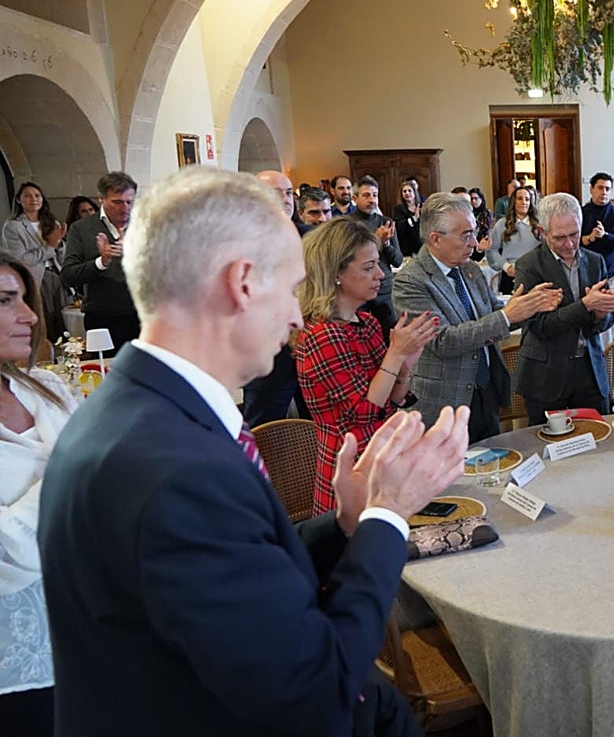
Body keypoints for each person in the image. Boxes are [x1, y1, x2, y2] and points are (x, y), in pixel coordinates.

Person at [38, 167, 469, 735]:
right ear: (242, 282)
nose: (296, 315)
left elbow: (240, 567)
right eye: (290, 288)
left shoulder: (146, 411)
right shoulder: (171, 468)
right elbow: (314, 691)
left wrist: (345, 523)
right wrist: (387, 516)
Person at [295, 218, 439, 515]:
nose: (380, 274)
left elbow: (394, 400)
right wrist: (396, 355)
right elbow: (363, 412)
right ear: (336, 273)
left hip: (382, 457)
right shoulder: (322, 335)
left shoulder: (367, 322)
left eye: (378, 264)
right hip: (350, 467)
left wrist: (406, 364)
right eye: (368, 267)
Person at [394, 193, 561, 442]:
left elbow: (495, 316)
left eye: (474, 232)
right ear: (436, 239)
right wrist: (506, 316)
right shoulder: (410, 282)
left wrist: (529, 307)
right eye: (466, 235)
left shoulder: (470, 269)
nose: (475, 243)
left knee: (492, 468)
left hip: (486, 391)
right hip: (445, 401)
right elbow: (443, 341)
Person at [0, 252, 75, 735]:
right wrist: (76, 474)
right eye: (6, 301)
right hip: (16, 661)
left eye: (25, 299)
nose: (29, 315)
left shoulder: (45, 388)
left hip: (88, 631)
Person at [513, 193, 614, 423]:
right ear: (542, 232)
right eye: (560, 237)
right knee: (548, 449)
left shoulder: (595, 261)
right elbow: (541, 326)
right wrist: (585, 305)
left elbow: (604, 321)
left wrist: (602, 315)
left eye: (574, 234)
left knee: (598, 440)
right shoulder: (529, 266)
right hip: (546, 374)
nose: (570, 244)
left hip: (590, 369)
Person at [241, 170, 311, 428]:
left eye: (289, 192)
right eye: (276, 193)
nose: (286, 199)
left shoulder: (311, 238)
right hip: (268, 351)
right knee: (263, 427)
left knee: (315, 427)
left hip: (309, 347)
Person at [60, 171, 140, 351]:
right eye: (117, 202)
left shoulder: (145, 225)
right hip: (102, 316)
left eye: (129, 202)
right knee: (104, 373)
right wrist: (102, 262)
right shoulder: (81, 228)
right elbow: (69, 275)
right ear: (101, 199)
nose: (125, 208)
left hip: (143, 316)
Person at [2, 182, 68, 343]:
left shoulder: (51, 223)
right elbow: (21, 259)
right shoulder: (13, 227)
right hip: (36, 278)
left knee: (62, 321)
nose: (33, 199)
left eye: (37, 195)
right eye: (27, 196)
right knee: (43, 321)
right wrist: (50, 246)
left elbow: (61, 254)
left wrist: (59, 245)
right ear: (18, 200)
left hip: (56, 275)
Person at [349, 176, 402, 335]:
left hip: (383, 288)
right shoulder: (346, 224)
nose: (372, 200)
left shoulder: (386, 222)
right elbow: (348, 258)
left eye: (375, 195)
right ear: (355, 198)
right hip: (356, 288)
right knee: (360, 335)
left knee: (389, 335)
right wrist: (376, 241)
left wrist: (385, 244)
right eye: (366, 195)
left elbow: (398, 260)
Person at [486, 184, 542, 295]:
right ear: (513, 201)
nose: (524, 202)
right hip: (510, 274)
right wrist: (506, 267)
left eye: (527, 199)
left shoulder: (540, 225)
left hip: (536, 275)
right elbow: (493, 250)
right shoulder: (502, 224)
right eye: (520, 199)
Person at [580, 172, 614, 279]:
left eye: (607, 189)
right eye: (600, 188)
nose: (604, 192)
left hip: (611, 272)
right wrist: (590, 238)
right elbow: (574, 241)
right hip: (585, 271)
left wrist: (605, 235)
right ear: (591, 189)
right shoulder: (581, 213)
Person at [392, 181, 423, 258]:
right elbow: (399, 226)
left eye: (409, 191)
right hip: (407, 247)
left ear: (414, 193)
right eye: (404, 191)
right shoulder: (398, 209)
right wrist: (414, 218)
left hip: (421, 244)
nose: (407, 193)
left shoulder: (421, 206)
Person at [467, 187, 494, 262]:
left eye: (476, 198)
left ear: (481, 199)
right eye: (471, 199)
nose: (473, 201)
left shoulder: (486, 213)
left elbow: (486, 231)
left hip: (482, 241)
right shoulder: (468, 213)